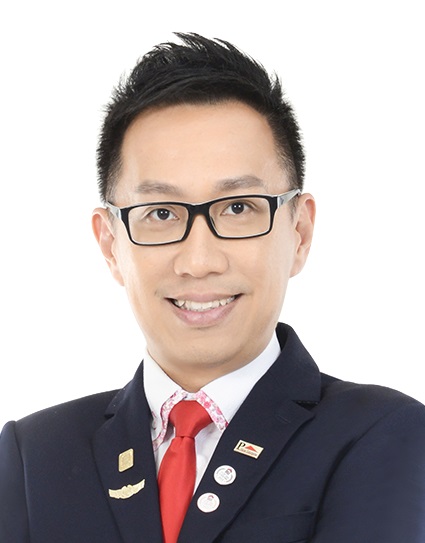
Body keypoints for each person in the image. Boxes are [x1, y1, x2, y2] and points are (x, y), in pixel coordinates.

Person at [1, 33, 424, 543]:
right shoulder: (33, 457)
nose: (199, 261)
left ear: (300, 232)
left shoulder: (385, 434)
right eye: (161, 213)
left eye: (238, 208)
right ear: (110, 244)